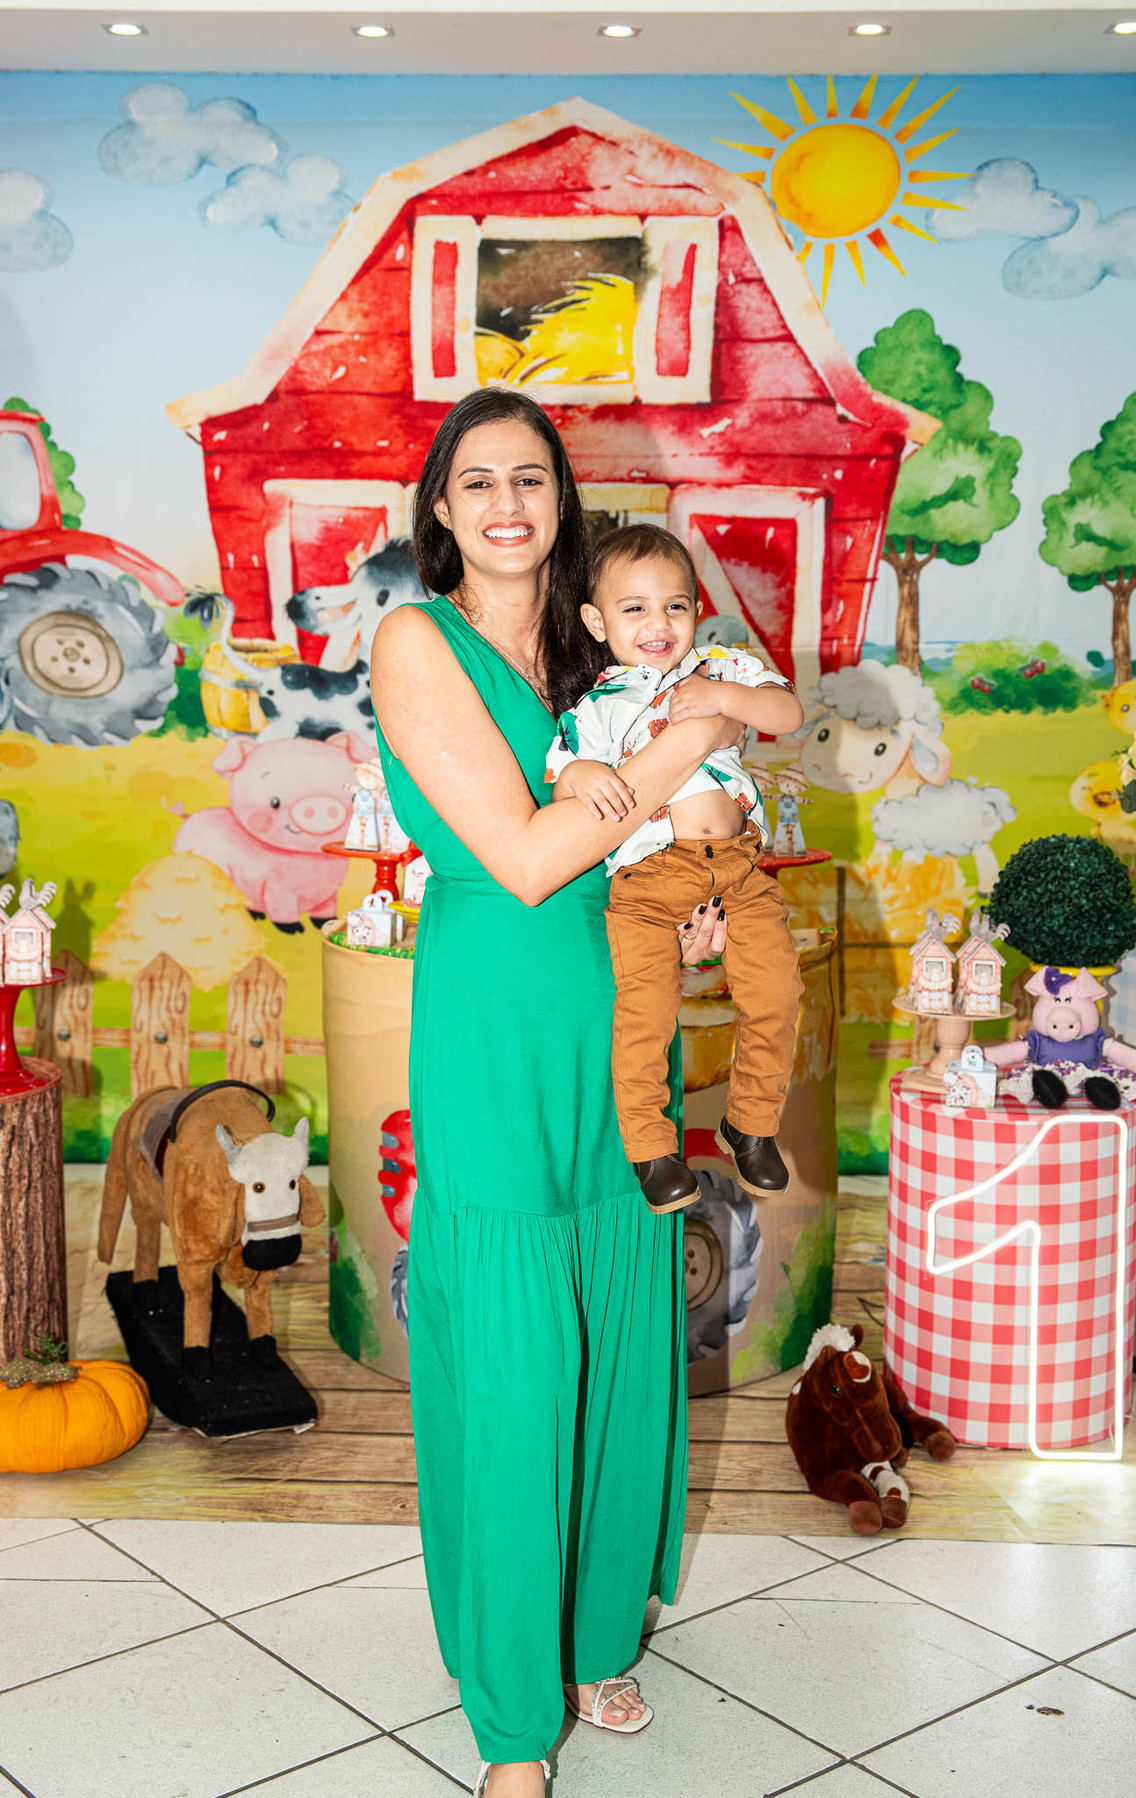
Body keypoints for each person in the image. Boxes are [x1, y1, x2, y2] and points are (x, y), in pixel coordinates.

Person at [370, 388, 746, 1798]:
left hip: (625, 1009)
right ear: (442, 508)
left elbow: (641, 841)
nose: (507, 503)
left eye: (531, 477)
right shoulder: (418, 641)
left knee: (623, 1328)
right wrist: (694, 734)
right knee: (520, 1355)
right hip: (498, 1013)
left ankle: (595, 1634)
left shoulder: (602, 645)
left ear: (562, 500)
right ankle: (516, 1717)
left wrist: (692, 896)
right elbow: (528, 858)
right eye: (477, 481)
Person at [546, 525, 806, 1214]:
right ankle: (650, 1147)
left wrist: (726, 701)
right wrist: (581, 773)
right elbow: (562, 775)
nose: (657, 624)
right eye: (634, 609)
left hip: (739, 870)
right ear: (597, 622)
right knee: (646, 1013)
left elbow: (786, 711)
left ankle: (751, 1125)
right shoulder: (597, 706)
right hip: (649, 882)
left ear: (696, 610)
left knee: (777, 992)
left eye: (675, 606)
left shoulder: (720, 669)